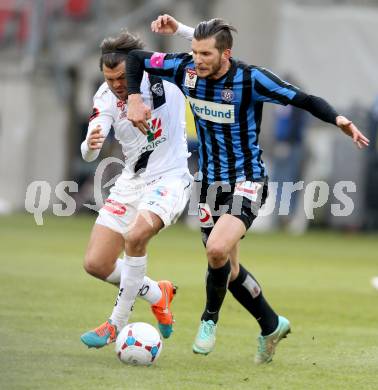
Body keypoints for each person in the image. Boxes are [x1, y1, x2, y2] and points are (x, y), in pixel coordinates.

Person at [124, 14, 370, 364]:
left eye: (206, 54)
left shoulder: (250, 79)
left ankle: (209, 319)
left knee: (216, 250)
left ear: (226, 54)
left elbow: (303, 98)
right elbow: (135, 59)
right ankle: (271, 324)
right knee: (229, 268)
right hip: (210, 184)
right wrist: (134, 96)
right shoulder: (186, 71)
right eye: (194, 52)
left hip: (247, 181)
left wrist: (338, 120)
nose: (198, 60)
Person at [80, 29, 193, 348]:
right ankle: (159, 293)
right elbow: (91, 143)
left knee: (135, 236)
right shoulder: (105, 96)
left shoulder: (164, 78)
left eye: (120, 77)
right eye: (108, 78)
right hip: (131, 181)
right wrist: (90, 144)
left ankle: (115, 324)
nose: (115, 85)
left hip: (170, 177)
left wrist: (181, 30)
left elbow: (200, 50)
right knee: (96, 264)